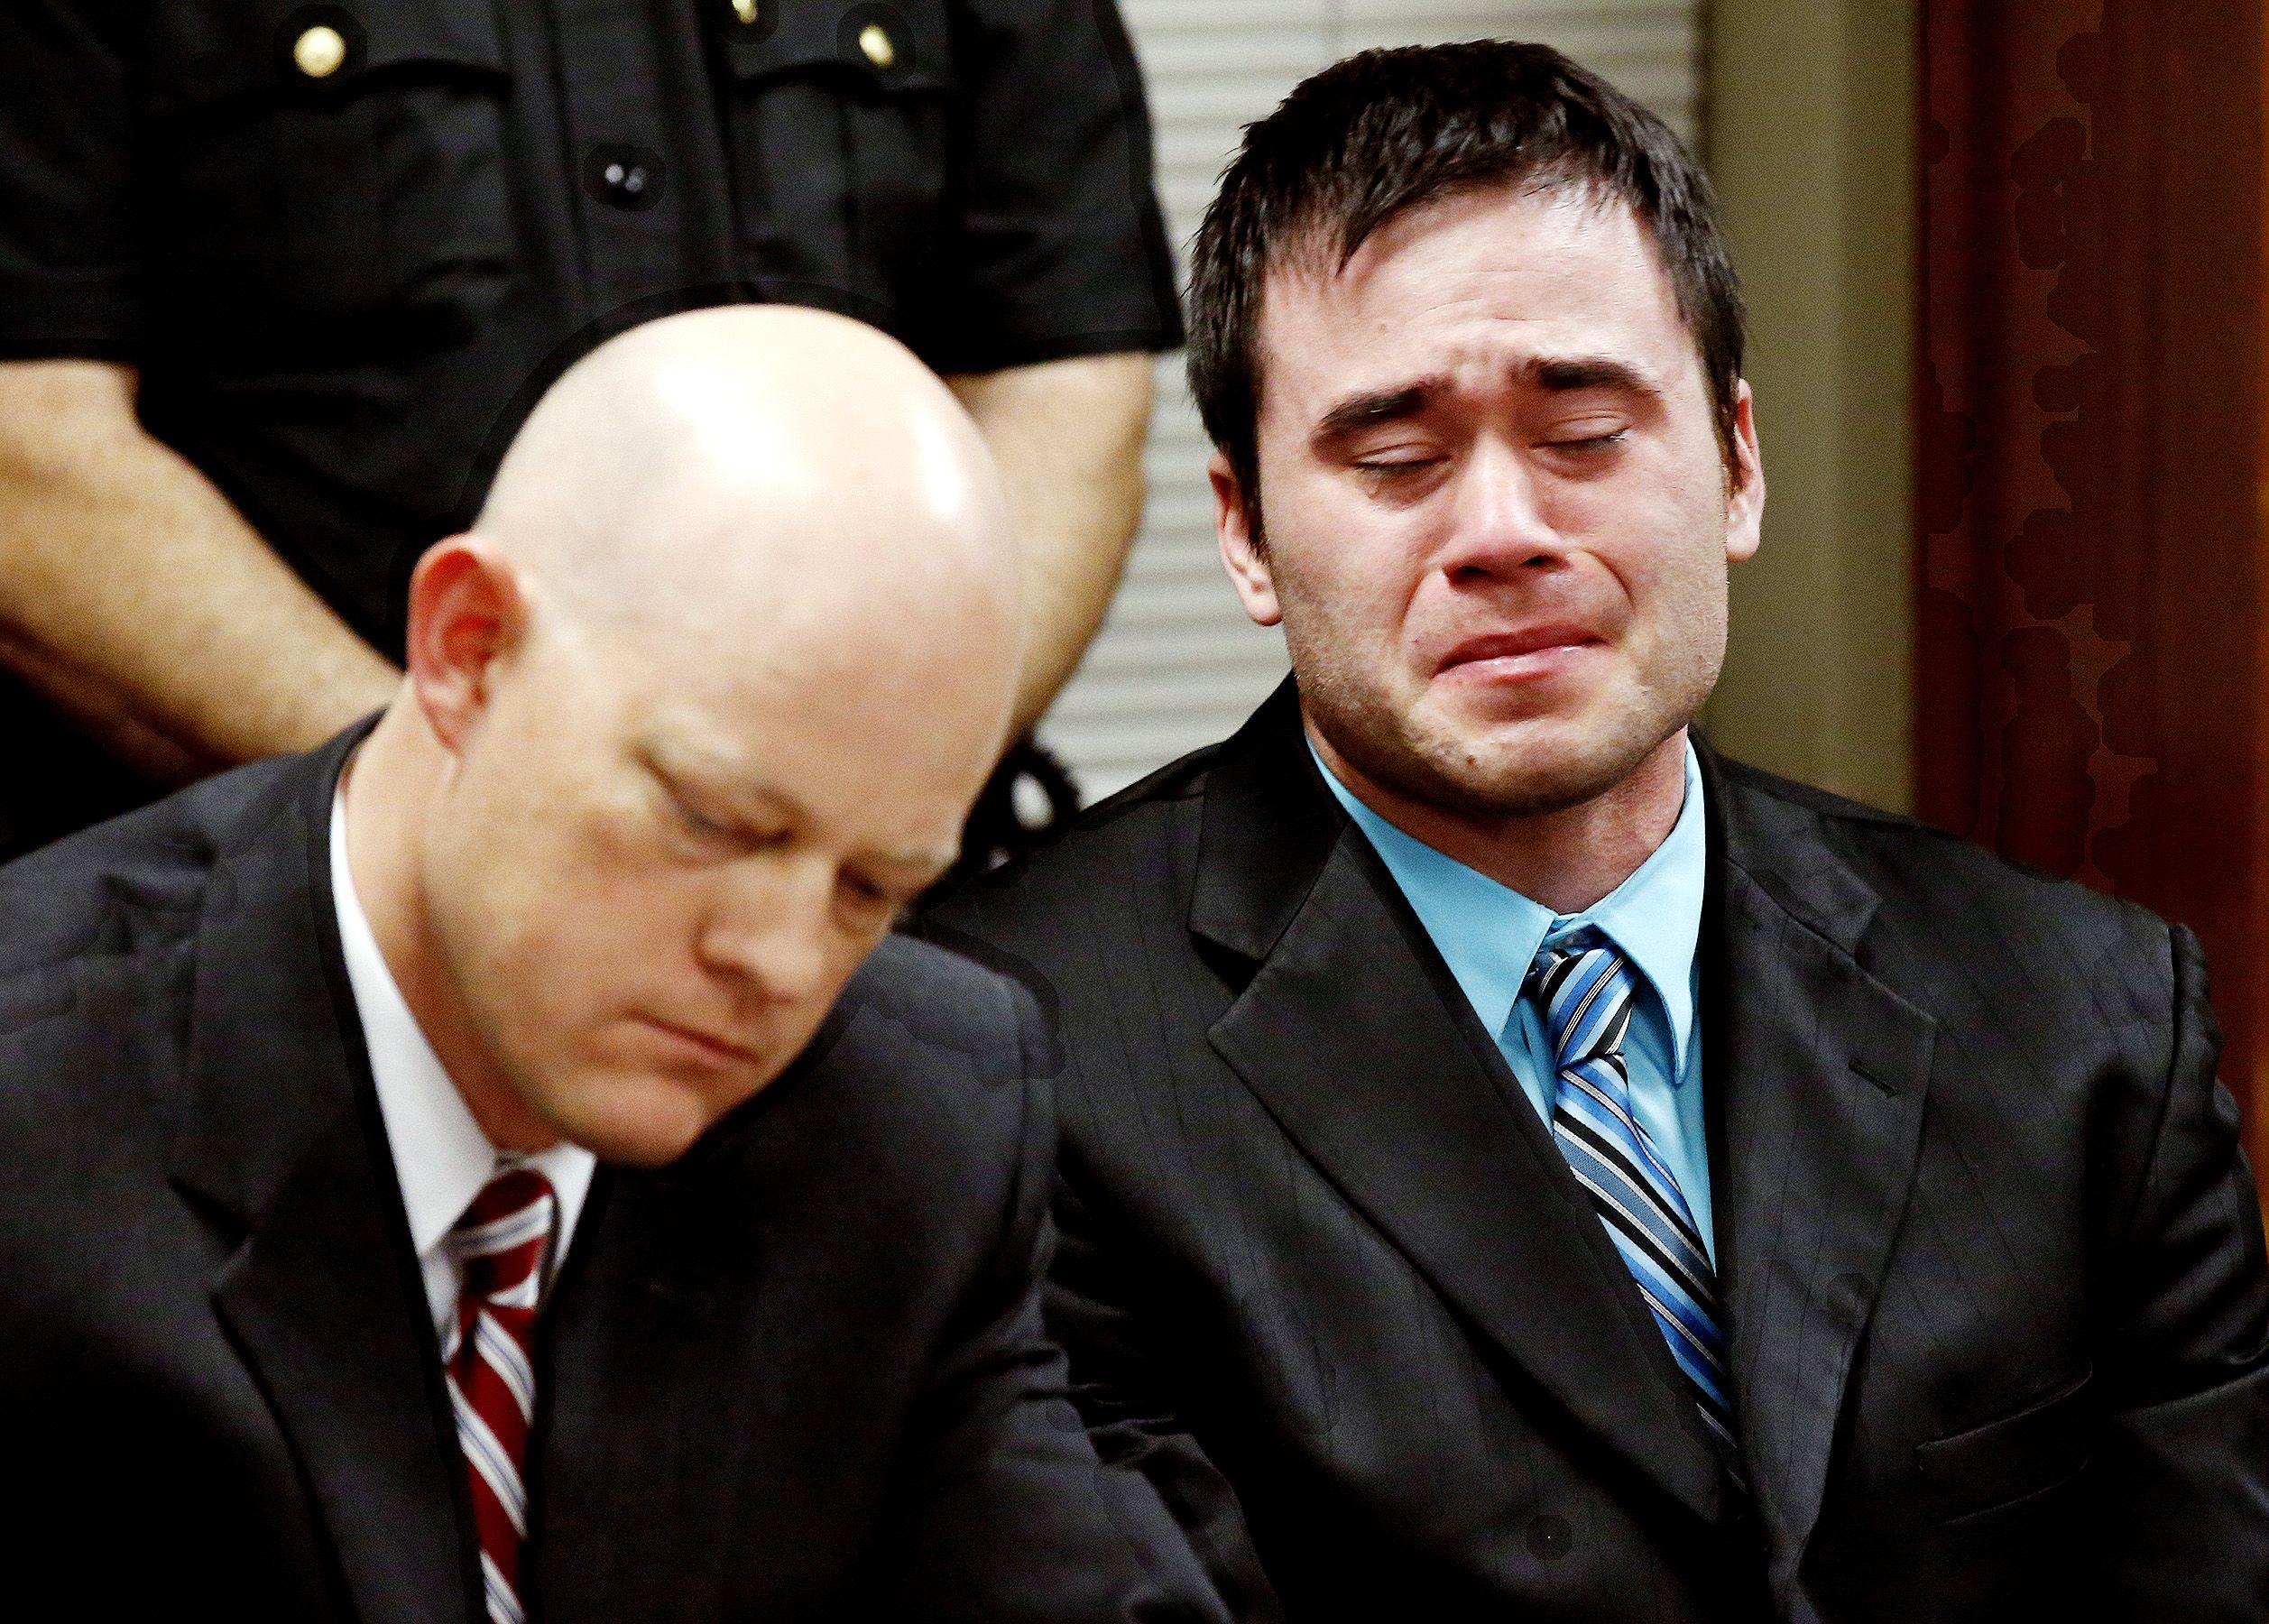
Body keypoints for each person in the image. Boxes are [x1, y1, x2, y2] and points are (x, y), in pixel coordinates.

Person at [924, 42, 2269, 1624]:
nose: (1502, 534)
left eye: (1582, 434)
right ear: (1247, 534)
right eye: (1396, 458)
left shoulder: (2086, 1021)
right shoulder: (1004, 1072)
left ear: (1739, 464)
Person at [0, 306, 1228, 1624]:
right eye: (711, 820)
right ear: (468, 649)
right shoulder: (37, 1120)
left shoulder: (910, 1120)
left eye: (874, 887)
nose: (779, 962)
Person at [0, 0, 1180, 858]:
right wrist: (450, 813)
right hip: (246, 926)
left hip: (859, 957)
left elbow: (1059, 387)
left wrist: (848, 819)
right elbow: (32, 446)